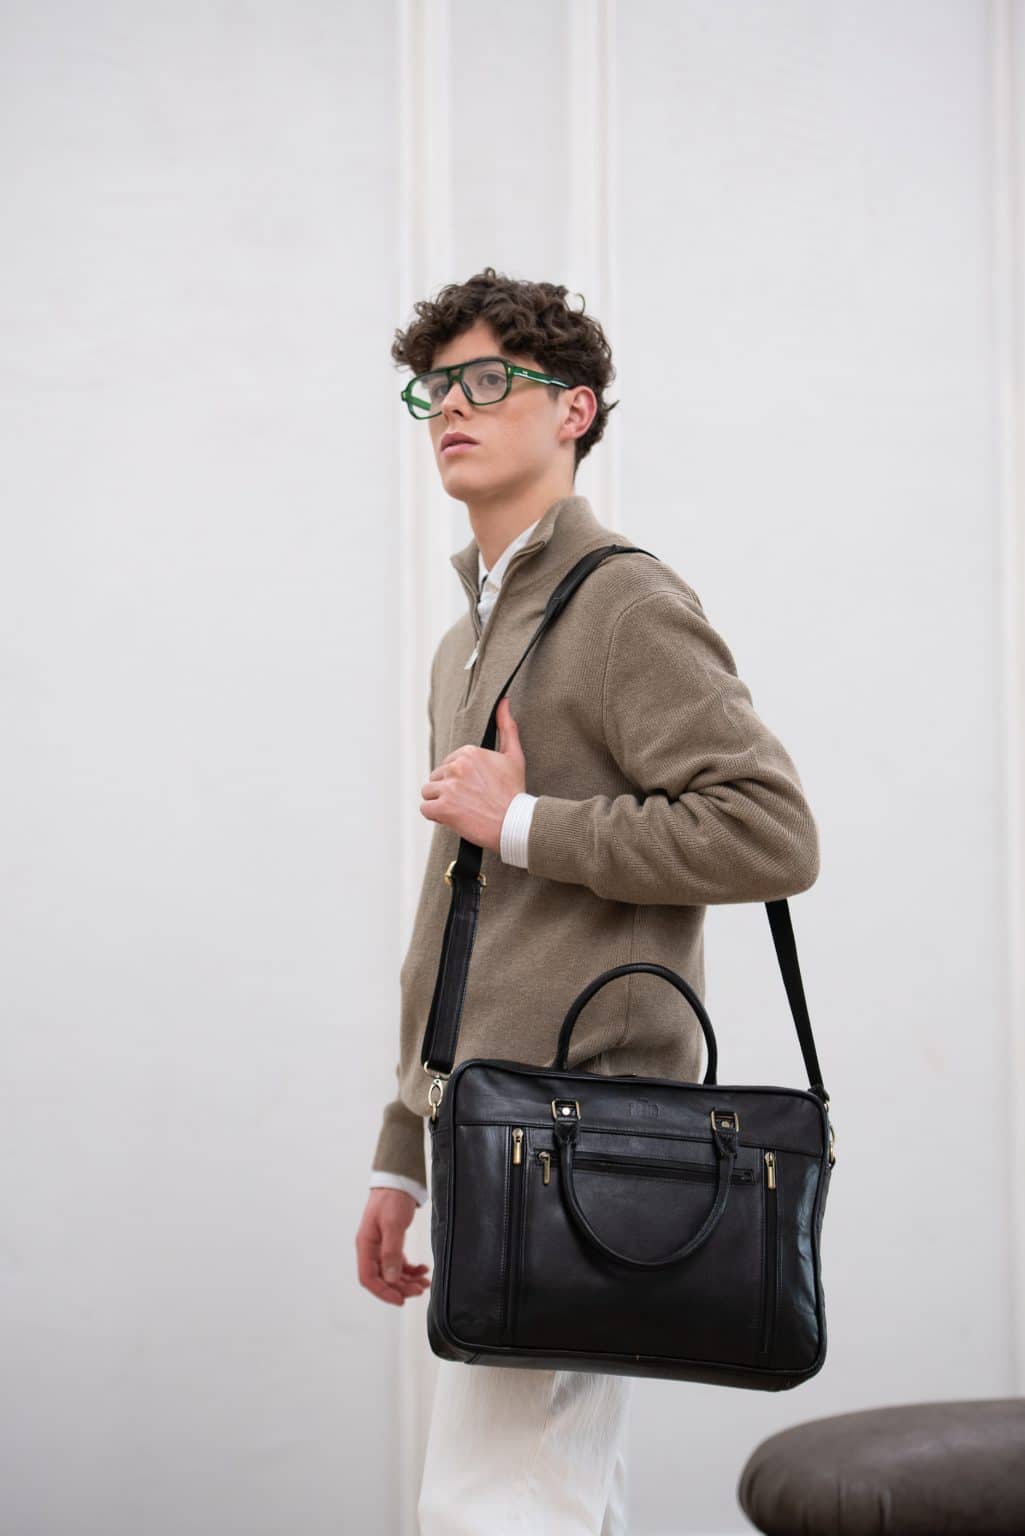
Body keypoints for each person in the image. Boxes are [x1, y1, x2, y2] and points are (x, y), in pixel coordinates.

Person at [354, 267, 821, 1534]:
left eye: (485, 378)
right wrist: (404, 1145)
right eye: (434, 388)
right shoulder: (466, 638)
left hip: (581, 1140)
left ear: (574, 409)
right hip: (492, 1130)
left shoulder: (620, 601)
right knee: (550, 1497)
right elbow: (456, 916)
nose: (452, 406)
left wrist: (524, 822)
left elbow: (769, 831)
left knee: (498, 1507)